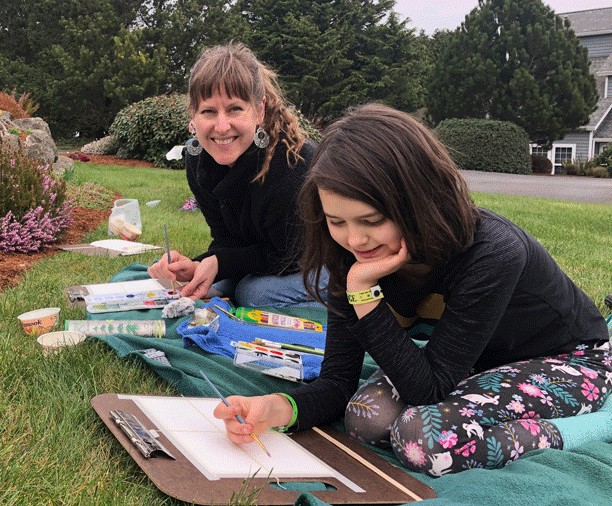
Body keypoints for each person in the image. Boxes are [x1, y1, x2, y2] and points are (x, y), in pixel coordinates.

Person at [212, 103, 611, 476]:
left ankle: (592, 425)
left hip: (572, 361)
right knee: (366, 417)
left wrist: (364, 295)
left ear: (418, 200)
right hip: (481, 362)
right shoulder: (348, 256)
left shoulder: (493, 251)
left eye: (373, 220)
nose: (355, 240)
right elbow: (336, 382)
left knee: (424, 439)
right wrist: (276, 409)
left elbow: (428, 389)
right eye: (337, 221)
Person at [147, 43, 326, 307]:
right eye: (208, 111)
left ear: (259, 110)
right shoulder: (198, 162)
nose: (221, 127)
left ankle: (348, 304)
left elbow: (290, 254)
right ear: (193, 116)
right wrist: (198, 264)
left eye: (234, 109)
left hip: (322, 260)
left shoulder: (292, 163)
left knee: (254, 294)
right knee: (208, 282)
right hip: (271, 256)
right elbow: (227, 238)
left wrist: (219, 263)